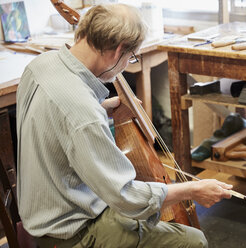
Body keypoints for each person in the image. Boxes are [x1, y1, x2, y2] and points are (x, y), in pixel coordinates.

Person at [16, 3, 233, 248]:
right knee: (193, 241)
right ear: (118, 50)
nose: (127, 64)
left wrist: (102, 107)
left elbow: (59, 119)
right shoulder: (83, 113)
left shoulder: (40, 65)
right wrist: (192, 190)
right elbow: (126, 196)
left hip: (41, 212)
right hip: (72, 233)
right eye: (131, 58)